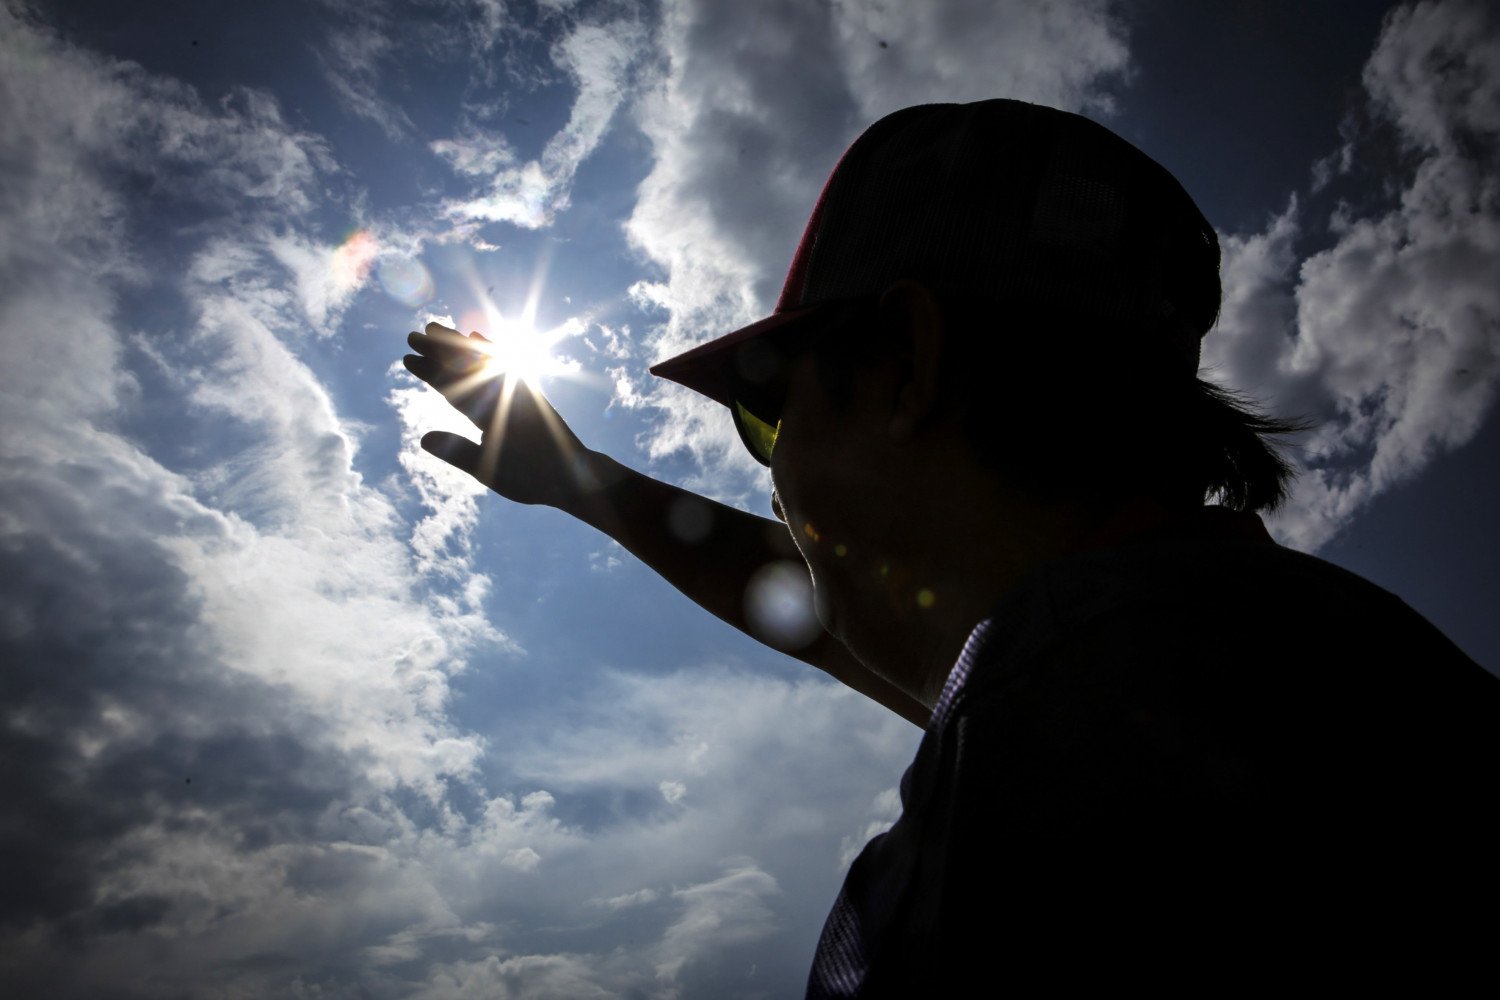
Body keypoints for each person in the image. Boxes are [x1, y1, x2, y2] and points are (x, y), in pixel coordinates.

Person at [404, 100, 1496, 993]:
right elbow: (824, 610)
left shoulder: (1073, 759)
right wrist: (584, 483)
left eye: (770, 416)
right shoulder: (1254, 663)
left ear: (909, 364)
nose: (772, 473)